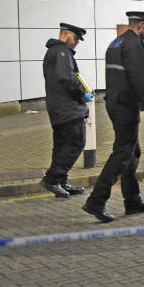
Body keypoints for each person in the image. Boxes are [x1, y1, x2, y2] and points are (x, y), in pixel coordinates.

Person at [82, 11, 144, 223]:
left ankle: (132, 200)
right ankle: (96, 200)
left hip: (115, 103)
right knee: (123, 153)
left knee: (133, 152)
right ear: (141, 25)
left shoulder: (116, 43)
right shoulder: (133, 45)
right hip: (126, 105)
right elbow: (139, 78)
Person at [40, 22, 91, 198]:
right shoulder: (62, 51)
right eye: (75, 38)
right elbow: (67, 78)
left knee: (61, 146)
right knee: (76, 142)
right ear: (65, 34)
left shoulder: (53, 51)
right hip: (68, 108)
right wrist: (82, 94)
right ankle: (53, 179)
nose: (77, 42)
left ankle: (61, 182)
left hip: (58, 109)